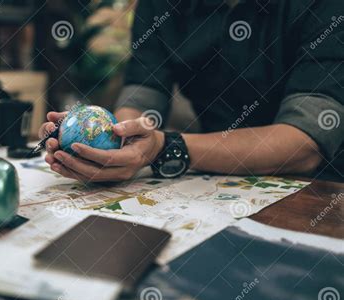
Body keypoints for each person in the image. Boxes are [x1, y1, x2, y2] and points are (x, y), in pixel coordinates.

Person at [39, 0, 344, 182]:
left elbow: (305, 142)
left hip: (322, 190)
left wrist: (166, 146)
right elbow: (143, 95)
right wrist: (117, 140)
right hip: (216, 180)